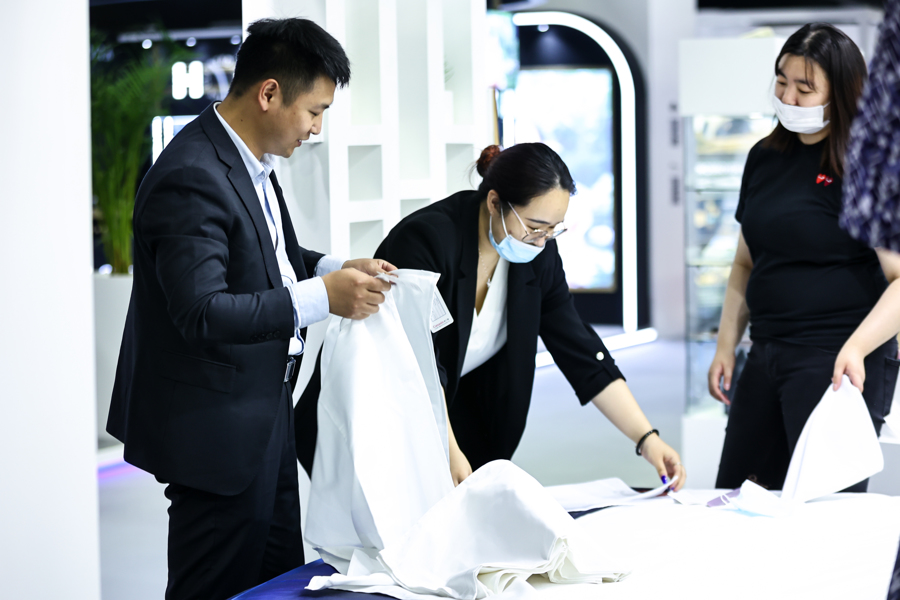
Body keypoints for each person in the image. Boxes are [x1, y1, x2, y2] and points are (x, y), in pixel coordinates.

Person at [107, 18, 395, 600]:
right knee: (215, 585)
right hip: (214, 432)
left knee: (276, 583)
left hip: (263, 414)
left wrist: (335, 266)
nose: (316, 129)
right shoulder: (190, 175)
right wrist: (325, 297)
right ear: (269, 93)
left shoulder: (251, 160)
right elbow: (203, 312)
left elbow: (273, 259)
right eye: (314, 111)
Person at [296, 142, 686, 491]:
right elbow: (414, 362)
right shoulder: (428, 241)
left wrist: (646, 438)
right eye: (535, 227)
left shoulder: (537, 254)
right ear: (495, 202)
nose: (541, 241)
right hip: (379, 414)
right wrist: (447, 453)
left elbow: (579, 348)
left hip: (457, 413)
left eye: (553, 230)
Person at [708, 23, 900, 492]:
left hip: (837, 361)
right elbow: (745, 263)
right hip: (766, 351)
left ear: (842, 92)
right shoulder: (763, 157)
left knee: (823, 512)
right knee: (737, 498)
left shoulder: (867, 168)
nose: (788, 98)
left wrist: (856, 348)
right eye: (781, 82)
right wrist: (726, 344)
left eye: (805, 88)